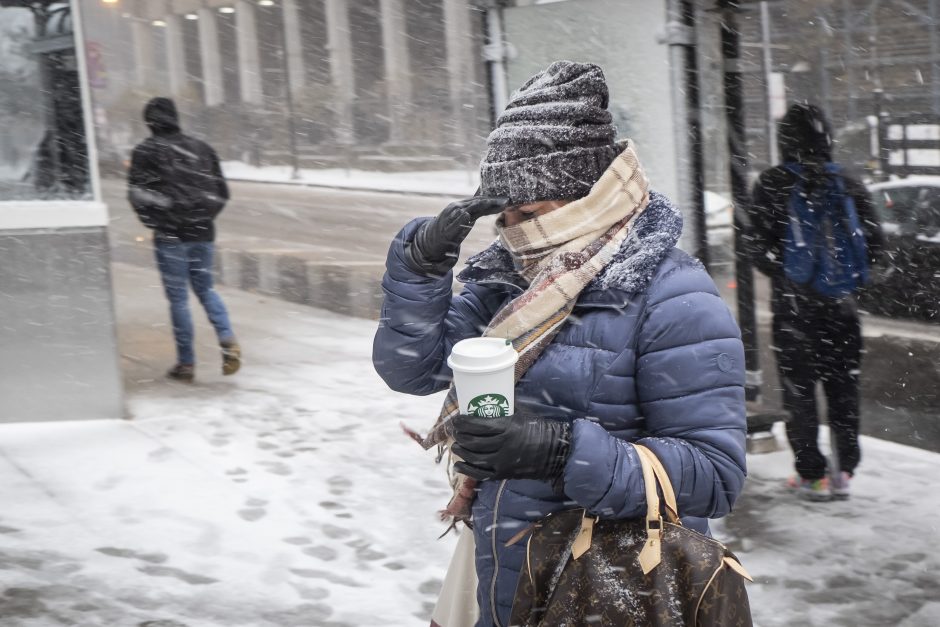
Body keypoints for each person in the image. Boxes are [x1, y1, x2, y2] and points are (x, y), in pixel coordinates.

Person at [372, 61, 747, 626]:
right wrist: (419, 267)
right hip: (504, 568)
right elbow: (413, 370)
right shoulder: (511, 279)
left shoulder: (675, 296)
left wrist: (559, 452)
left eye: (531, 213)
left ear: (585, 197)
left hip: (606, 585)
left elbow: (714, 475)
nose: (516, 231)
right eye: (505, 215)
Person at [748, 103, 883, 501]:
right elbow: (875, 247)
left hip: (794, 312)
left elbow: (757, 249)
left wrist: (790, 274)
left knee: (799, 393)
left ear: (784, 141)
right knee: (844, 390)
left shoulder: (772, 183)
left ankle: (813, 476)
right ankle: (845, 471)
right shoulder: (849, 184)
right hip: (842, 310)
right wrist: (839, 281)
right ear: (828, 139)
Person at [128, 97, 240, 382]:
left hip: (170, 236)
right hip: (203, 234)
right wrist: (203, 218)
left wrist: (158, 222)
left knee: (178, 299)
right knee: (206, 290)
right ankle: (227, 337)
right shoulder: (202, 148)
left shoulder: (145, 152)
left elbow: (138, 195)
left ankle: (186, 364)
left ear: (149, 122)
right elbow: (221, 192)